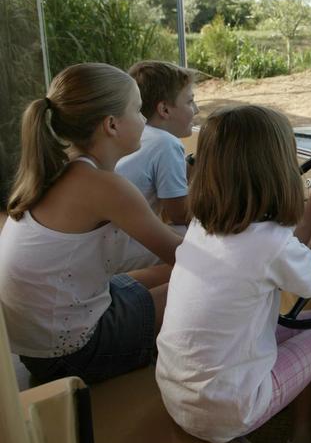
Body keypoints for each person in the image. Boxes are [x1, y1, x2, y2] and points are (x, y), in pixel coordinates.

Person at [156, 105, 311, 443]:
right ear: (276, 169)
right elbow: (310, 267)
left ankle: (304, 438)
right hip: (227, 409)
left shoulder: (207, 224)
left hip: (181, 393)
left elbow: (290, 249)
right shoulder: (267, 243)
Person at [0, 63, 182, 384]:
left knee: (166, 274)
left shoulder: (62, 169)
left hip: (41, 344)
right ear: (111, 124)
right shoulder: (104, 186)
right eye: (137, 110)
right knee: (198, 283)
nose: (143, 120)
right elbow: (188, 258)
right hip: (73, 354)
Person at [115, 60, 197, 270]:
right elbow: (180, 214)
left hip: (108, 242)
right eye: (190, 102)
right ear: (164, 110)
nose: (196, 110)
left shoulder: (139, 137)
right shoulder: (165, 143)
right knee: (205, 240)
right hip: (115, 249)